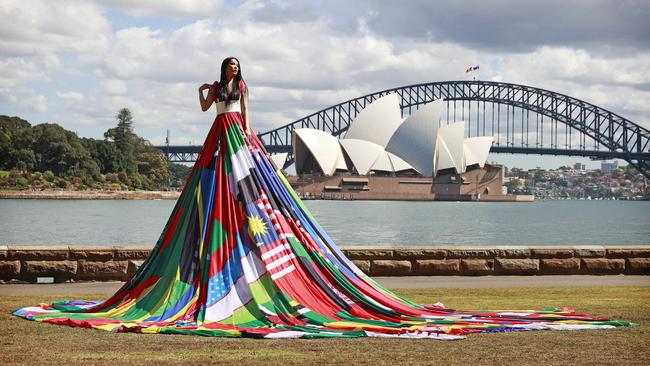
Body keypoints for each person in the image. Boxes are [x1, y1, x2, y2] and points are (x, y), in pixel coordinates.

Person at [13, 57, 633, 339]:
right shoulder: (216, 91)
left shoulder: (244, 92)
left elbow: (245, 114)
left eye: (231, 73)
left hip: (239, 143)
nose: (230, 76)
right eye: (227, 72)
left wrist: (243, 122)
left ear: (238, 75)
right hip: (216, 143)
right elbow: (211, 108)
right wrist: (208, 93)